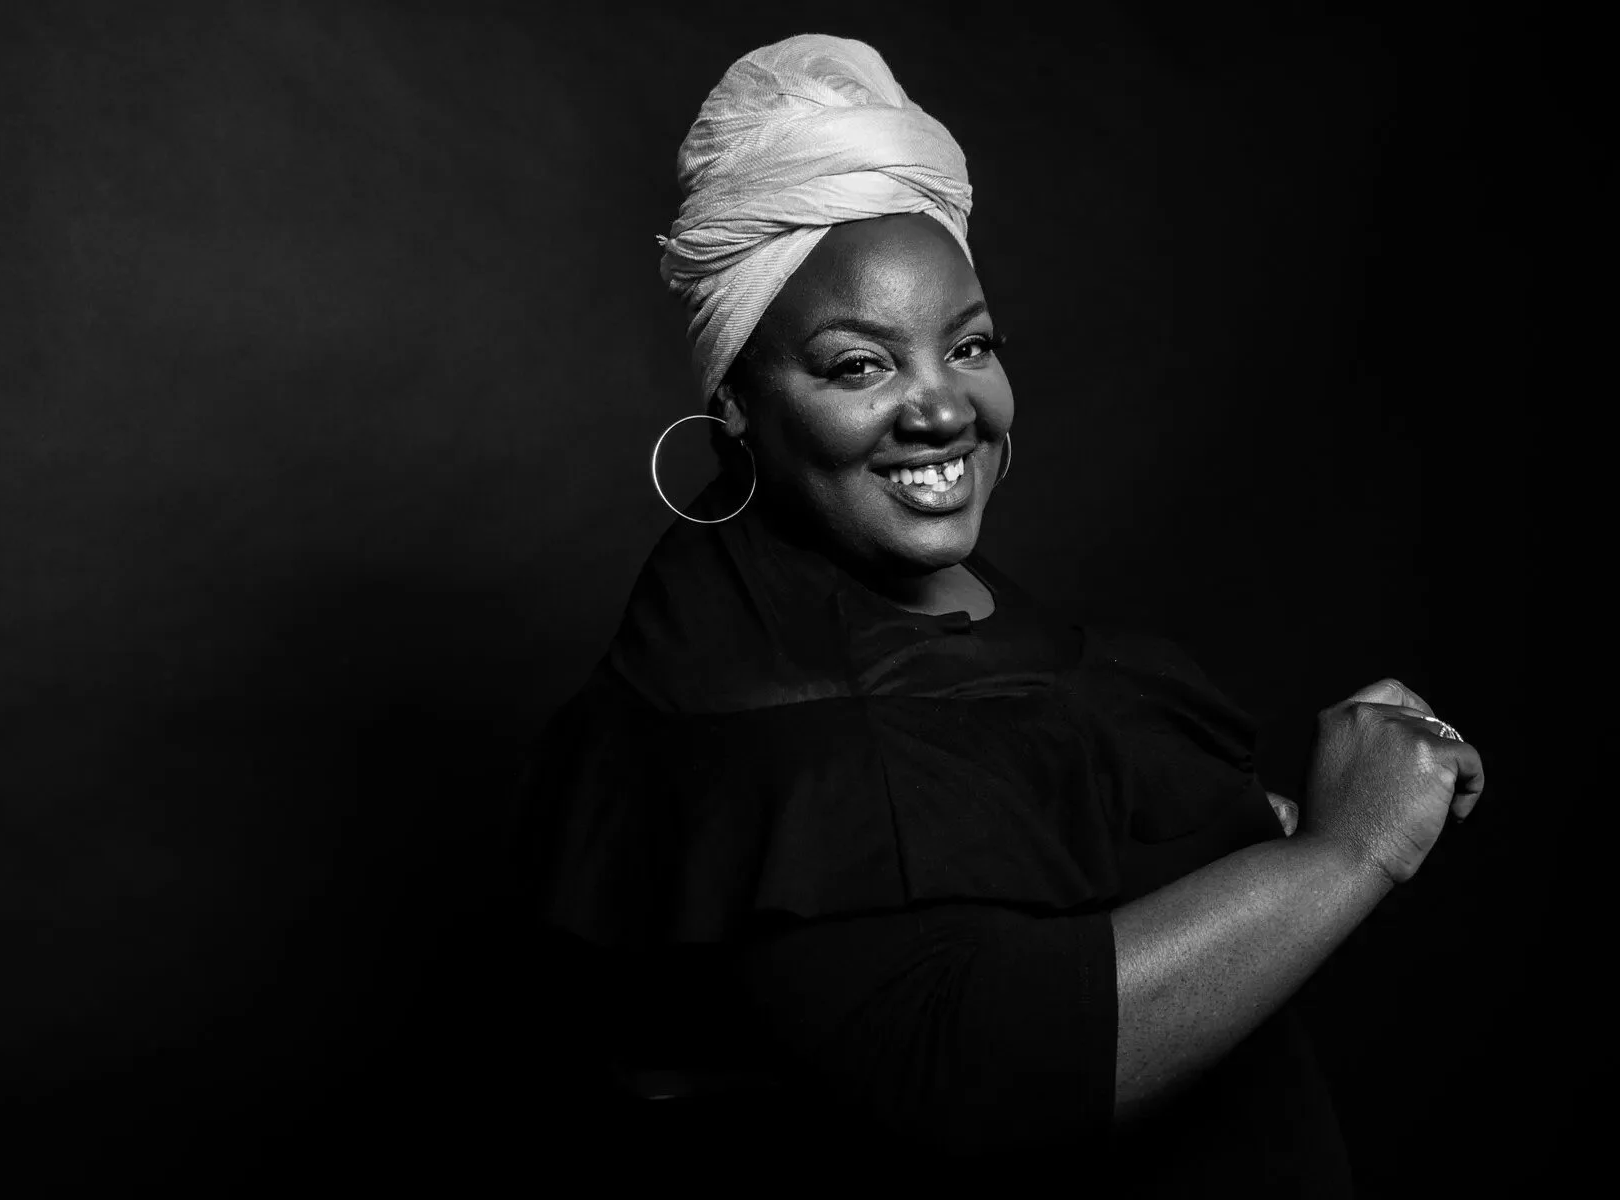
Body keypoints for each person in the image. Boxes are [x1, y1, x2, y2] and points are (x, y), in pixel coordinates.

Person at [523, 33, 1484, 1194]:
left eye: (968, 346)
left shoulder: (928, 586)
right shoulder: (764, 704)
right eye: (859, 366)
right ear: (734, 398)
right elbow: (975, 1071)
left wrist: (1221, 839)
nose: (942, 410)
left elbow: (1015, 825)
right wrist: (1351, 850)